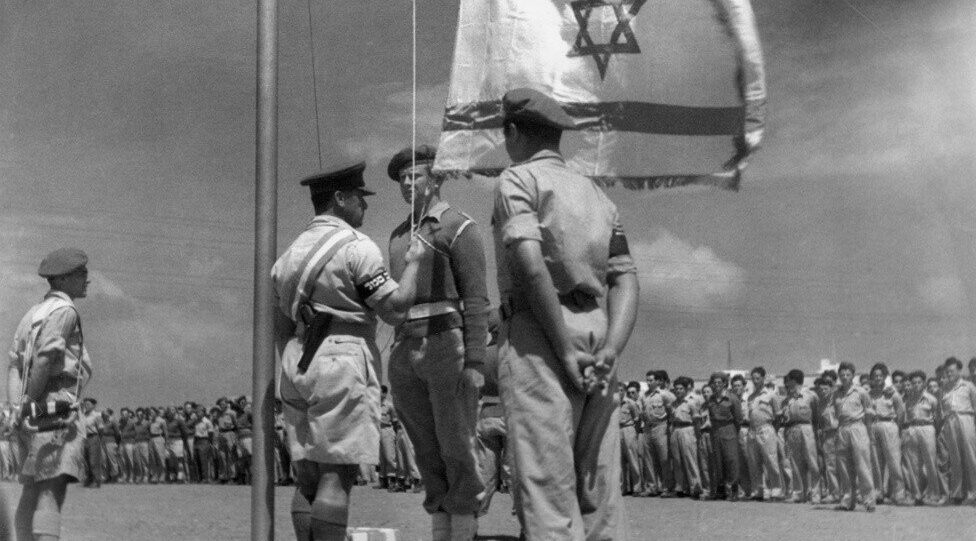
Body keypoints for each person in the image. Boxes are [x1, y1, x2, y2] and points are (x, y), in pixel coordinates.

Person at [492, 88, 639, 540]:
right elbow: (625, 279)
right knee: (600, 491)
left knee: (548, 493)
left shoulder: (517, 180)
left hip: (540, 332)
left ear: (512, 131)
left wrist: (561, 347)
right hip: (598, 332)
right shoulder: (597, 195)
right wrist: (612, 349)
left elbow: (530, 265)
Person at [273, 162, 427, 541]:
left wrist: (297, 363)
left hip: (297, 359)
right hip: (342, 355)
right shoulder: (357, 247)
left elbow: (280, 327)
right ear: (340, 198)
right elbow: (394, 309)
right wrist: (414, 264)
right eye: (360, 197)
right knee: (336, 475)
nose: (365, 205)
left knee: (307, 476)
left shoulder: (288, 256)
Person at [385, 144, 489, 540]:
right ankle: (440, 526)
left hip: (446, 344)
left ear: (436, 179)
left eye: (415, 176)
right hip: (404, 347)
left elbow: (476, 300)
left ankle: (463, 526)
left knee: (456, 443)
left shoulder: (458, 227)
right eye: (402, 178)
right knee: (424, 449)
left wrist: (475, 362)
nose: (407, 184)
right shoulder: (398, 237)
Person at [6, 248, 93, 540]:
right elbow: (45, 358)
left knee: (31, 489)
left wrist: (18, 407)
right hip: (55, 408)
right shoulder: (65, 311)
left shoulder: (32, 314)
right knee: (50, 491)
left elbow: (14, 366)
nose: (87, 279)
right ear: (64, 279)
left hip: (31, 413)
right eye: (81, 273)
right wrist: (31, 402)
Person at [832, 362, 876, 512]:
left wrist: (868, 432)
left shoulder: (861, 392)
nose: (845, 377)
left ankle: (869, 500)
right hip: (842, 428)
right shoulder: (836, 394)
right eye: (842, 375)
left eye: (848, 374)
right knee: (844, 467)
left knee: (863, 465)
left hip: (858, 427)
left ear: (853, 375)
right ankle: (847, 501)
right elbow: (835, 413)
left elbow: (869, 412)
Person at [867, 362, 906, 504]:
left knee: (894, 460)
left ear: (884, 377)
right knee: (876, 462)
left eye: (880, 375)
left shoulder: (892, 393)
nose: (877, 378)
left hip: (889, 424)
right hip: (874, 425)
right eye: (875, 375)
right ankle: (879, 492)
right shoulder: (870, 394)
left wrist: (897, 428)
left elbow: (901, 412)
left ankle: (899, 493)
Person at [939, 356, 976, 504]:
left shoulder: (969, 386)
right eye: (947, 371)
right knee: (955, 458)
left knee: (970, 456)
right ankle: (958, 493)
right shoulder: (944, 389)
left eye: (952, 371)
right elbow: (941, 410)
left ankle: (974, 492)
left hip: (965, 418)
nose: (949, 374)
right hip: (950, 421)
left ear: (959, 370)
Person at [901, 370, 942, 505]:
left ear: (924, 383)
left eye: (919, 382)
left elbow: (937, 417)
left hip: (927, 428)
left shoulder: (931, 399)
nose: (916, 385)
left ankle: (933, 493)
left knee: (930, 461)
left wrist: (935, 432)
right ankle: (917, 494)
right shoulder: (908, 400)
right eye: (914, 383)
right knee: (914, 463)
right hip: (912, 429)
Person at [780, 369, 820, 503]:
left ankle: (815, 494)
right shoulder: (788, 400)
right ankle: (800, 493)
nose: (787, 384)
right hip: (792, 429)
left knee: (812, 462)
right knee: (796, 463)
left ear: (794, 381)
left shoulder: (810, 395)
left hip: (806, 428)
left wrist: (815, 431)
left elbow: (816, 415)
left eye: (789, 381)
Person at [744, 366, 783, 501]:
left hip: (766, 429)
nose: (755, 381)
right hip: (752, 431)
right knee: (754, 462)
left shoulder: (771, 395)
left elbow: (778, 416)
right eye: (753, 379)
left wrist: (772, 430)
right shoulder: (750, 397)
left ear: (763, 378)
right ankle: (758, 491)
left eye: (758, 378)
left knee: (771, 460)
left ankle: (776, 490)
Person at [706, 372, 743, 501]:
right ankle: (721, 489)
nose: (716, 385)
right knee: (718, 460)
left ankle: (734, 490)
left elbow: (738, 418)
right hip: (715, 431)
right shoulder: (711, 399)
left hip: (729, 429)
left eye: (719, 382)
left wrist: (733, 430)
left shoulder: (732, 398)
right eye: (714, 383)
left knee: (731, 460)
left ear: (724, 384)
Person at [637, 369, 674, 497]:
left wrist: (669, 425)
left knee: (664, 458)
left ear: (657, 381)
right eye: (647, 380)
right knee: (649, 459)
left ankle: (667, 487)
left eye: (651, 380)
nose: (648, 382)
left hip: (661, 427)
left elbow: (672, 410)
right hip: (647, 428)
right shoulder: (644, 395)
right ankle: (652, 487)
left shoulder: (665, 394)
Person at [668, 377, 704, 499]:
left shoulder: (691, 403)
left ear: (685, 390)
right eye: (676, 389)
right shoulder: (673, 404)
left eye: (681, 389)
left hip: (687, 429)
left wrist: (697, 435)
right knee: (677, 461)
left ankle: (696, 487)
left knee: (690, 459)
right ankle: (681, 488)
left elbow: (697, 421)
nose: (678, 391)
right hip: (675, 430)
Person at [618, 382, 642, 496]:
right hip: (617, 430)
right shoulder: (613, 403)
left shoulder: (630, 403)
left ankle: (637, 487)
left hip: (628, 429)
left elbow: (637, 419)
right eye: (617, 390)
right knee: (619, 461)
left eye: (621, 390)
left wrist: (634, 433)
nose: (619, 392)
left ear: (624, 391)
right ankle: (622, 488)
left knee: (632, 458)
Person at [80, 397, 103, 488]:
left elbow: (101, 429)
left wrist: (97, 439)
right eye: (85, 404)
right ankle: (89, 479)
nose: (86, 406)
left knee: (94, 460)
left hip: (93, 437)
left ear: (93, 405)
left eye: (88, 404)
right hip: (85, 438)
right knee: (86, 460)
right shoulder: (83, 415)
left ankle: (96, 480)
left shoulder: (97, 415)